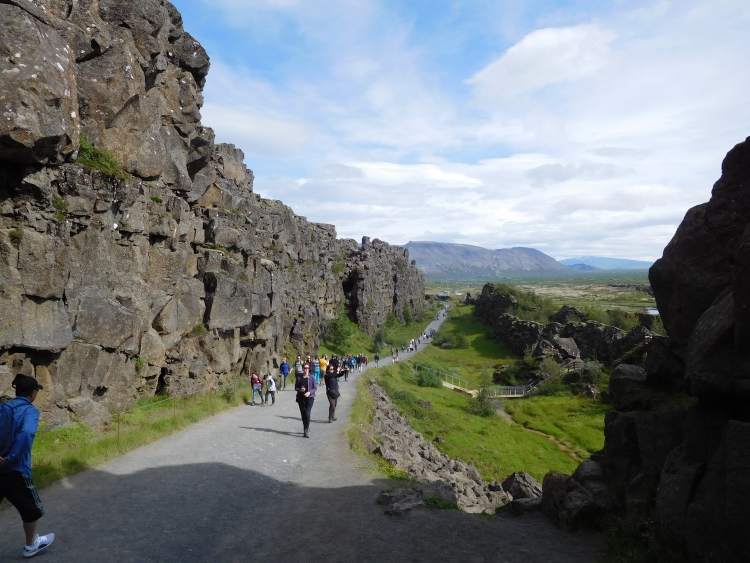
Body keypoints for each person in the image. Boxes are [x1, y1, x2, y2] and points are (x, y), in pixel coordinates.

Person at [0, 375, 55, 558]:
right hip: (15, 469)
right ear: (33, 393)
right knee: (31, 509)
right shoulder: (30, 412)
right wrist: (11, 458)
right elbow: (26, 434)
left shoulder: (3, 408)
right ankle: (30, 545)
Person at [295, 364, 317, 438]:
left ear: (309, 369)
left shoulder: (312, 377)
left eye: (308, 368)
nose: (306, 369)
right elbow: (296, 387)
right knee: (303, 414)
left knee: (307, 413)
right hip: (301, 398)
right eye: (305, 368)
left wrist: (309, 392)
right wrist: (300, 390)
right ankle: (305, 429)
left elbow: (315, 388)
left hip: (310, 398)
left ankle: (306, 429)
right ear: (303, 369)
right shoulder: (299, 378)